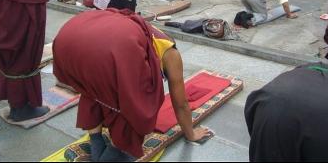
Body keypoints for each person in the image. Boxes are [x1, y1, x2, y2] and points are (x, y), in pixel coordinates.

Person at [53, 9, 211, 161]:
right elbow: (181, 102)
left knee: (93, 88)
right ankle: (117, 152)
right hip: (103, 50)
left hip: (68, 38)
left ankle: (96, 142)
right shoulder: (171, 53)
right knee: (136, 101)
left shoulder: (141, 28)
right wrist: (191, 134)